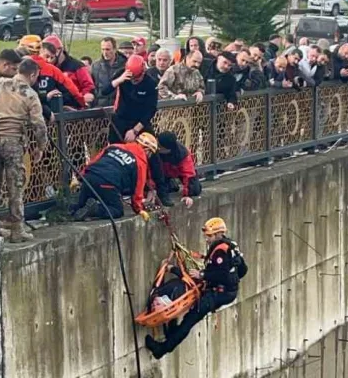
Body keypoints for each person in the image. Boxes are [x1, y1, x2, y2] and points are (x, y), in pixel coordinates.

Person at [144, 217, 247, 358]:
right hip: (226, 291)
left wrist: (203, 274)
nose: (207, 239)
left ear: (218, 234)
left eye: (209, 236)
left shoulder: (220, 251)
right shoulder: (231, 246)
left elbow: (222, 275)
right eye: (206, 236)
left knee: (189, 320)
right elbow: (243, 271)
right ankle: (172, 333)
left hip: (219, 293)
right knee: (188, 314)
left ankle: (162, 349)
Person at [0, 57, 46, 243]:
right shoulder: (29, 94)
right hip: (13, 141)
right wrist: (40, 147)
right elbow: (39, 125)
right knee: (15, 187)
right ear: (33, 74)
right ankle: (17, 230)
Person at [72, 132, 159, 221]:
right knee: (117, 210)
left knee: (79, 206)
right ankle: (95, 209)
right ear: (147, 150)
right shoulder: (141, 163)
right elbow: (138, 190)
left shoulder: (115, 146)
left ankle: (66, 209)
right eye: (150, 153)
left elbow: (94, 161)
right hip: (108, 183)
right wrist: (139, 209)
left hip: (89, 177)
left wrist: (80, 177)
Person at [109, 54, 158, 146]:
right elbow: (104, 91)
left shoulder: (151, 83)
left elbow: (151, 109)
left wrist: (135, 130)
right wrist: (119, 80)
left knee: (149, 148)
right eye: (131, 78)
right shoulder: (122, 74)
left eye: (137, 78)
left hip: (139, 122)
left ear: (143, 72)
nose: (134, 81)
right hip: (121, 119)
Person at [43, 35, 95, 105]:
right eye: (46, 56)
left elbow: (89, 87)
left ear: (59, 51)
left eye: (50, 56)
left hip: (74, 109)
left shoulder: (77, 66)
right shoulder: (45, 68)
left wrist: (80, 99)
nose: (47, 60)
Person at [156, 131, 199, 207]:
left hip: (178, 171)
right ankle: (171, 184)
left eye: (159, 146)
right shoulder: (155, 150)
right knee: (165, 188)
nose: (157, 147)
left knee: (195, 189)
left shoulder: (182, 153)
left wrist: (187, 195)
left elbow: (188, 175)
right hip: (163, 172)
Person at [92, 37, 126, 107]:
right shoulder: (95, 66)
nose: (105, 52)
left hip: (119, 107)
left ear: (114, 49)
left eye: (107, 49)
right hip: (100, 108)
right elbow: (93, 88)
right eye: (103, 49)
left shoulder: (124, 65)